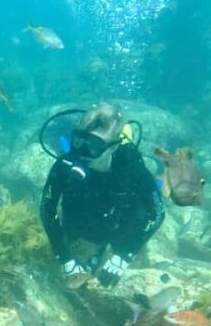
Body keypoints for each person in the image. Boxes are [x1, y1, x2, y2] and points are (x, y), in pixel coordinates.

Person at [40, 102, 165, 287]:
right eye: (79, 140)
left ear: (113, 147)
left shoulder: (133, 170)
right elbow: (47, 208)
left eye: (93, 145)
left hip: (120, 232)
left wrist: (126, 255)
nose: (81, 151)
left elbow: (157, 214)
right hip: (77, 229)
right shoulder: (66, 164)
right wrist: (64, 257)